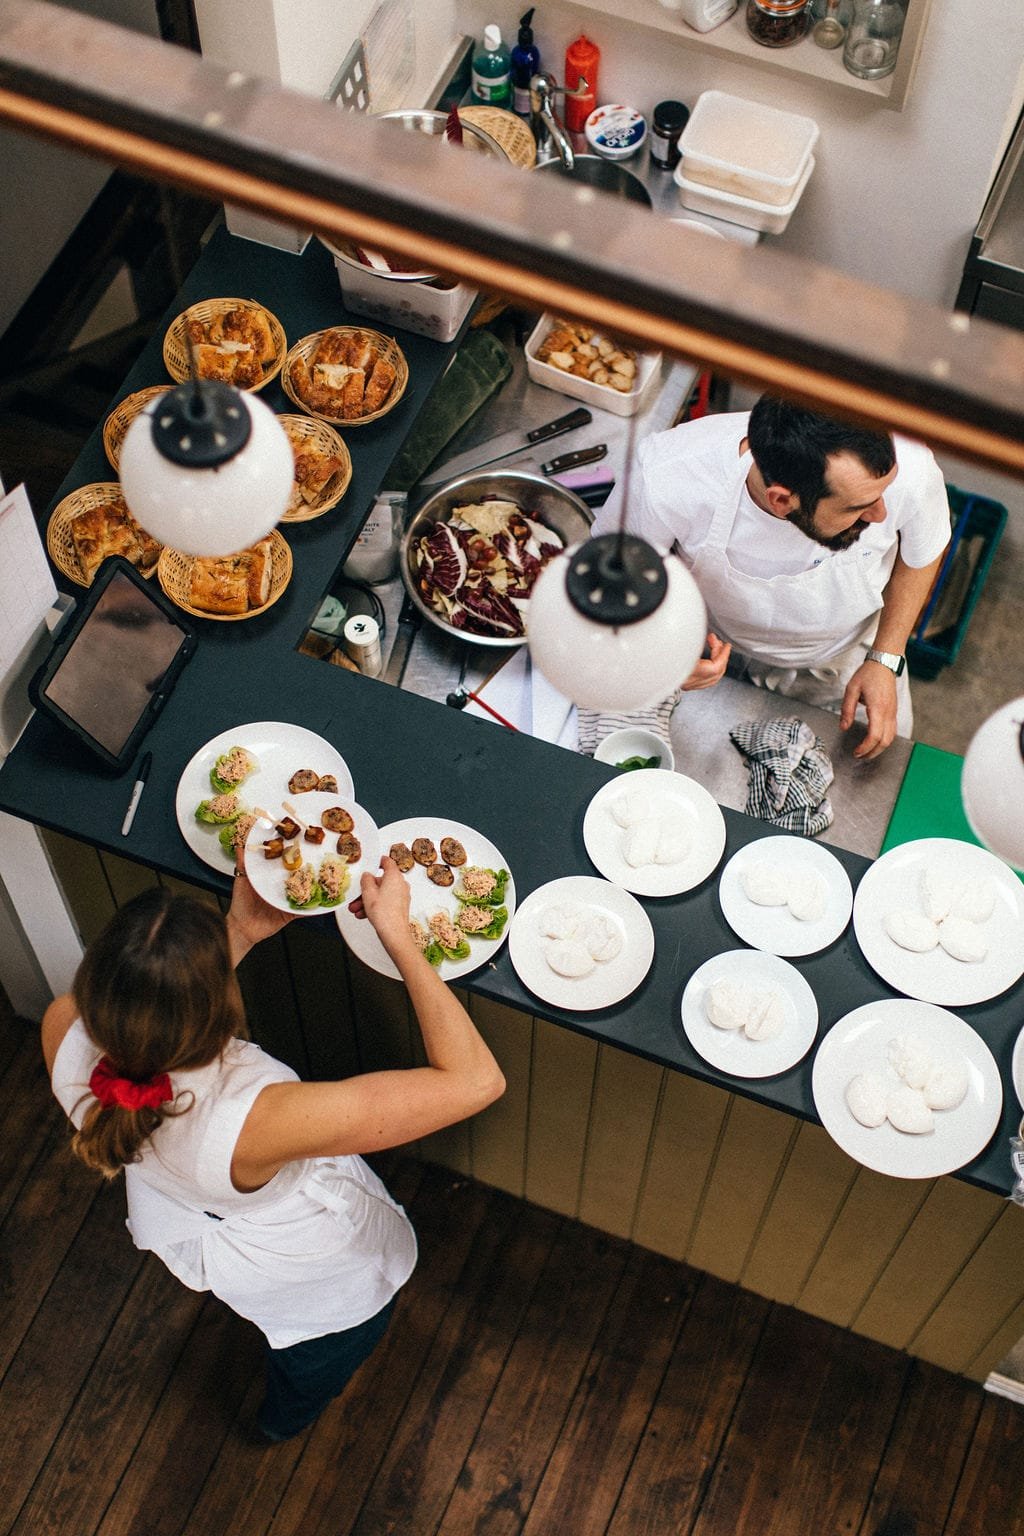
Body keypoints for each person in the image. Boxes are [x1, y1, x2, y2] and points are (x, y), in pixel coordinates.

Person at [41, 852, 505, 1444]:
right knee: (317, 1358)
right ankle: (279, 1425)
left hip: (199, 1207)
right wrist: (399, 936)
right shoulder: (255, 1122)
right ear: (222, 1011)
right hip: (305, 1269)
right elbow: (476, 1081)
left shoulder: (64, 1026)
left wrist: (238, 931)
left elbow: (152, 1017)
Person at [599, 395, 950, 760]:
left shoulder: (911, 465)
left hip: (850, 663)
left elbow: (924, 552)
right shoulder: (668, 475)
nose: (880, 515)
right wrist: (662, 650)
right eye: (858, 507)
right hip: (719, 658)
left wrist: (886, 658)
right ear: (781, 501)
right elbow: (617, 579)